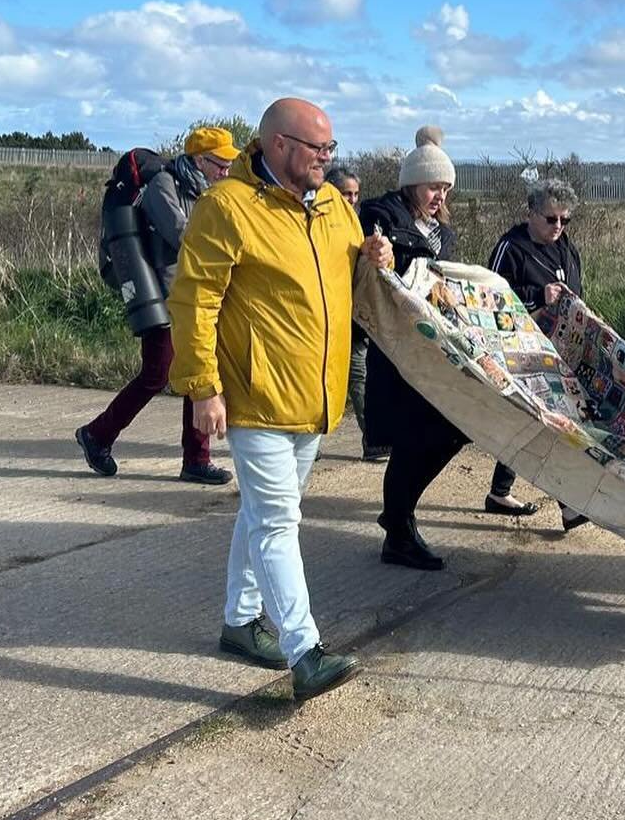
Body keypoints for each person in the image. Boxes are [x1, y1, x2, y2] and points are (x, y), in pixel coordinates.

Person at [169, 97, 391, 702]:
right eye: (318, 148)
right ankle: (305, 651)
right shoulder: (227, 207)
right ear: (279, 145)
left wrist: (374, 259)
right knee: (278, 523)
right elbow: (194, 302)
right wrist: (203, 388)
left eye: (331, 148)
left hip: (315, 398)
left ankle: (240, 624)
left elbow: (353, 287)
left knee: (264, 514)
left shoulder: (336, 212)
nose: (328, 157)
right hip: (255, 395)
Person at [75, 126, 240, 484]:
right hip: (162, 294)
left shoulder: (205, 190)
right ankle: (97, 435)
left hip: (189, 294)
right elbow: (183, 236)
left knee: (197, 371)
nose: (225, 171)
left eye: (229, 165)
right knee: (158, 373)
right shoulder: (164, 186)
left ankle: (196, 459)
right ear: (200, 159)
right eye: (220, 164)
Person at [358, 127, 465, 573]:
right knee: (409, 439)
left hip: (434, 351)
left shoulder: (445, 233)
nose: (439, 195)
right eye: (432, 186)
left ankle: (398, 519)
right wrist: (380, 251)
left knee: (452, 428)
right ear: (411, 183)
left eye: (445, 188)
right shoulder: (381, 217)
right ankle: (399, 531)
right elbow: (370, 256)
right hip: (398, 353)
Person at [485, 179, 587, 527]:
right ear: (531, 213)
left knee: (533, 423)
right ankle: (569, 506)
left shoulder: (567, 248)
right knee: (545, 422)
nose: (558, 226)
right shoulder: (510, 247)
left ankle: (500, 490)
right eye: (551, 219)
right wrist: (537, 297)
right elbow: (490, 299)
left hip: (557, 350)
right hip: (520, 351)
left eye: (564, 220)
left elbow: (577, 291)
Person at [324, 163, 376, 455]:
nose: (353, 200)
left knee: (359, 378)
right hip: (328, 317)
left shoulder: (359, 224)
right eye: (346, 194)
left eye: (356, 194)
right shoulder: (323, 225)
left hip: (353, 318)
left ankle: (372, 439)